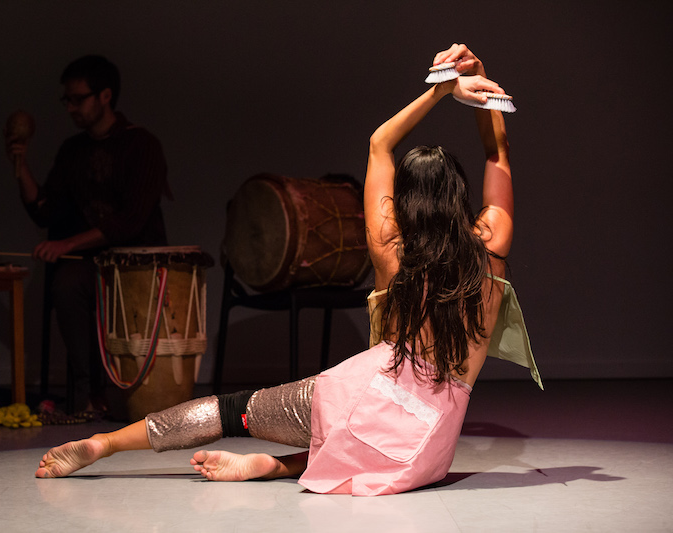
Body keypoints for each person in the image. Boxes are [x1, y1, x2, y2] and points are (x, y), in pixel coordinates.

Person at [34, 44, 540, 495]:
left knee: (231, 411)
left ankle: (105, 444)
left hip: (355, 403)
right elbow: (499, 152)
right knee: (358, 445)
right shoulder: (488, 251)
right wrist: (483, 86)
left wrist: (441, 90)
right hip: (424, 451)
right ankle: (274, 467)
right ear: (459, 197)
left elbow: (379, 145)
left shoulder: (393, 249)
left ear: (405, 201)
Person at [6, 56, 171, 413]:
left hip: (136, 262)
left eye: (77, 98)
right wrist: (21, 167)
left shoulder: (142, 145)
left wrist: (66, 244)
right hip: (94, 263)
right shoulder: (73, 151)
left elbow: (130, 222)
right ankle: (88, 395)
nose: (70, 107)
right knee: (67, 284)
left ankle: (133, 393)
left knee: (85, 280)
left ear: (105, 96)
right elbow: (46, 209)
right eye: (66, 99)